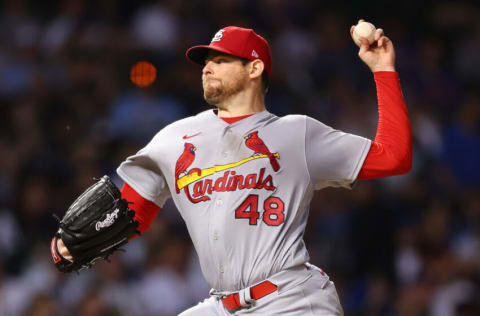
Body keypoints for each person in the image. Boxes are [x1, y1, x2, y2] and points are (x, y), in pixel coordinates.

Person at [56, 20, 411, 315]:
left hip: (289, 300)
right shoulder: (175, 139)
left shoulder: (296, 134)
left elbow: (394, 157)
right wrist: (80, 242)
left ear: (254, 68)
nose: (207, 66)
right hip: (220, 306)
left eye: (222, 59)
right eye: (206, 60)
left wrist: (383, 70)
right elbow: (134, 210)